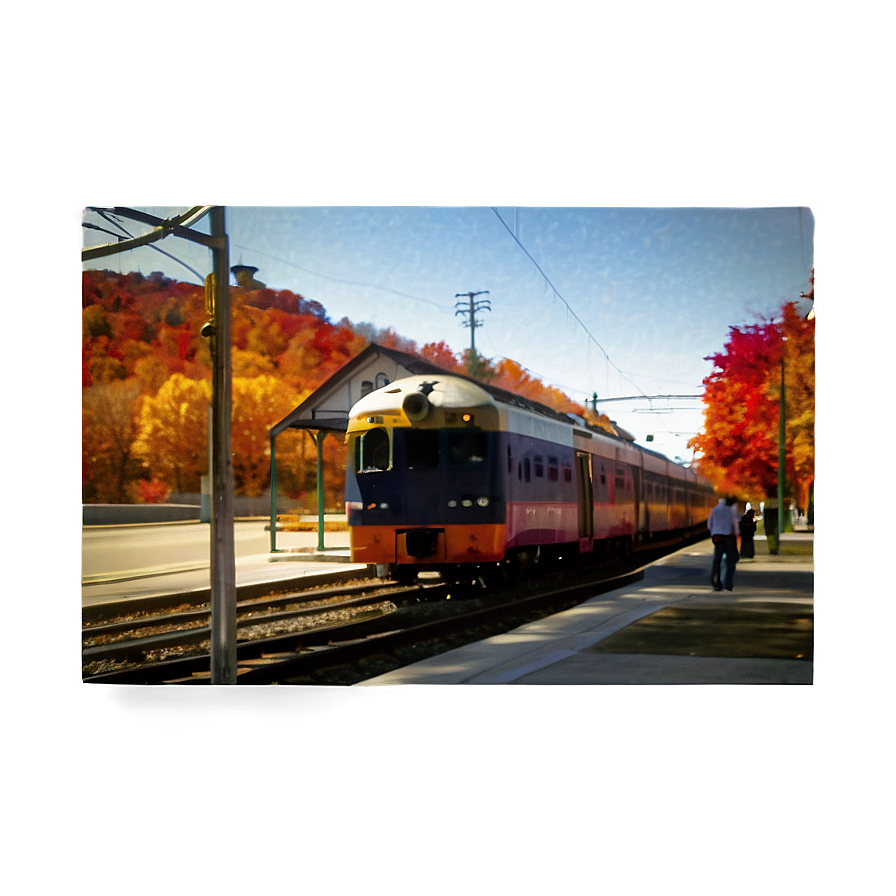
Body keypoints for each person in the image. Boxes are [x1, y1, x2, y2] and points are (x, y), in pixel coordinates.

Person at [707, 496, 739, 591]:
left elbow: (709, 524)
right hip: (728, 538)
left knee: (717, 561)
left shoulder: (715, 510)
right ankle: (727, 583)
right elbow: (735, 524)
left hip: (717, 538)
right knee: (730, 562)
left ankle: (716, 582)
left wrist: (714, 532)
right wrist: (736, 534)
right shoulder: (731, 511)